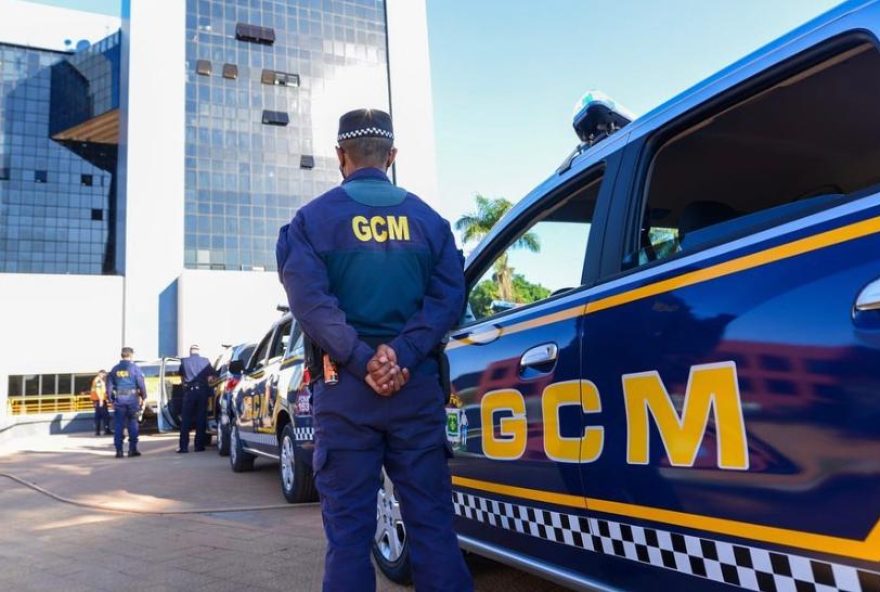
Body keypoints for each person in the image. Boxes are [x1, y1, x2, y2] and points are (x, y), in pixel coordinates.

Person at [276, 108, 473, 592]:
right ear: (392, 155)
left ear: (340, 155)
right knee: (432, 526)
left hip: (345, 395)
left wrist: (364, 361)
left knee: (348, 537)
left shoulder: (310, 222)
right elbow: (449, 298)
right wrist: (402, 356)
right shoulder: (431, 222)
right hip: (415, 391)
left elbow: (310, 304)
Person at [107, 347, 147, 459]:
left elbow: (109, 387)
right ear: (131, 355)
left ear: (122, 355)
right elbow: (141, 383)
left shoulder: (114, 369)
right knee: (133, 424)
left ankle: (119, 451)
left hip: (119, 400)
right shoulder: (134, 368)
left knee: (119, 425)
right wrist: (144, 397)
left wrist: (111, 400)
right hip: (132, 400)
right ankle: (132, 450)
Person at [177, 344, 218, 453]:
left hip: (189, 392)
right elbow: (212, 376)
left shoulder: (184, 361)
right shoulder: (205, 361)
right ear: (198, 351)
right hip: (202, 392)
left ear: (190, 351)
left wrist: (185, 387)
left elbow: (182, 377)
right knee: (201, 419)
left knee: (186, 420)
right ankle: (199, 446)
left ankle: (183, 447)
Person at [89, 370, 111, 436]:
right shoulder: (98, 380)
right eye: (104, 375)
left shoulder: (96, 380)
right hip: (100, 400)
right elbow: (98, 390)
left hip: (96, 400)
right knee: (105, 416)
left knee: (97, 416)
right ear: (101, 374)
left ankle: (97, 431)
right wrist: (101, 400)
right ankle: (106, 430)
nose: (104, 376)